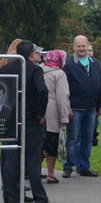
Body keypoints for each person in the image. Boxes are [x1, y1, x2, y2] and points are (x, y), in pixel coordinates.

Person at [0, 40, 62, 203]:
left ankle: (13, 198)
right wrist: (40, 112)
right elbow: (42, 90)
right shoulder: (34, 69)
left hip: (10, 118)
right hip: (30, 120)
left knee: (11, 159)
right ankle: (40, 199)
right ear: (30, 53)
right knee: (33, 161)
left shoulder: (5, 69)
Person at [62, 35, 101, 178]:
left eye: (83, 46)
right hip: (75, 108)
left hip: (91, 108)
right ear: (73, 47)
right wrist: (67, 107)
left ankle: (84, 167)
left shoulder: (95, 63)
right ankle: (68, 166)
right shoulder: (68, 64)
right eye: (78, 46)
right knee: (73, 139)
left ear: (88, 46)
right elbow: (64, 87)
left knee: (88, 139)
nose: (81, 48)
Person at [40, 49, 71, 184]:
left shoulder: (38, 70)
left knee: (40, 144)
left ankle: (31, 171)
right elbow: (62, 97)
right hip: (52, 112)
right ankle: (51, 174)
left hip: (39, 111)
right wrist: (64, 117)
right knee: (51, 144)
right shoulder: (59, 74)